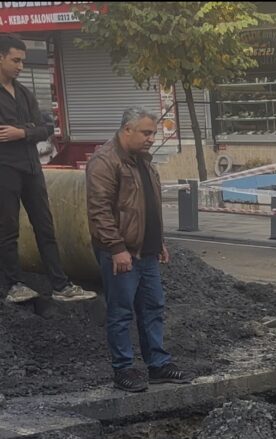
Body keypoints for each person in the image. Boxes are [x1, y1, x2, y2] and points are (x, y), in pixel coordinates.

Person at [86, 107, 191, 393]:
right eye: (146, 132)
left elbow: (147, 207)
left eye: (154, 133)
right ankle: (123, 369)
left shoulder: (143, 161)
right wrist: (116, 248)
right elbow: (99, 211)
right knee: (120, 312)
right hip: (121, 254)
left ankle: (157, 365)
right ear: (127, 130)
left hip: (147, 252)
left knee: (153, 308)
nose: (152, 138)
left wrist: (159, 242)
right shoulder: (105, 162)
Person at [0, 34, 94, 306]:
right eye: (15, 60)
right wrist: (30, 132)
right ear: (1, 57)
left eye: (23, 61)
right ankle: (14, 283)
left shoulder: (25, 93)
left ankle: (60, 284)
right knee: (8, 228)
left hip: (31, 169)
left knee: (45, 226)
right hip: (5, 169)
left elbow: (46, 128)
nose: (20, 66)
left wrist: (21, 132)